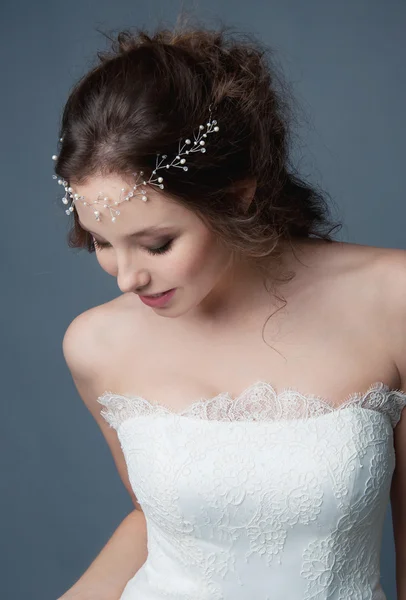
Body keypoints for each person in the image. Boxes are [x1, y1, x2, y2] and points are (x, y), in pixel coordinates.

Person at [53, 21, 406, 600]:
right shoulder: (95, 346)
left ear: (238, 195)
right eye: (100, 241)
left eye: (157, 243)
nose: (126, 276)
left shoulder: (392, 298)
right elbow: (157, 526)